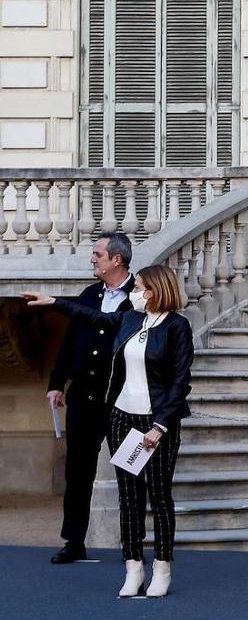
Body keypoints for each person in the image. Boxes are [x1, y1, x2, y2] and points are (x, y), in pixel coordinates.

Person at [23, 265, 194, 598]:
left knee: (159, 497)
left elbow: (180, 381)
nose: (134, 293)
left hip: (157, 424)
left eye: (139, 288)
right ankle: (133, 566)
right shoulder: (129, 319)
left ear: (155, 291)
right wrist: (55, 301)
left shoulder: (177, 327)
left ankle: (162, 567)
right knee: (129, 497)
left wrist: (160, 426)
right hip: (122, 418)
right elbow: (93, 317)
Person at [45, 232, 136, 564]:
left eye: (98, 254)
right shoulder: (89, 294)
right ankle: (74, 541)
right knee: (77, 471)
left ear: (117, 259)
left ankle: (132, 543)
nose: (92, 258)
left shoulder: (139, 295)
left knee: (130, 472)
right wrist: (57, 383)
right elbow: (70, 341)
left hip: (122, 400)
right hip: (83, 397)